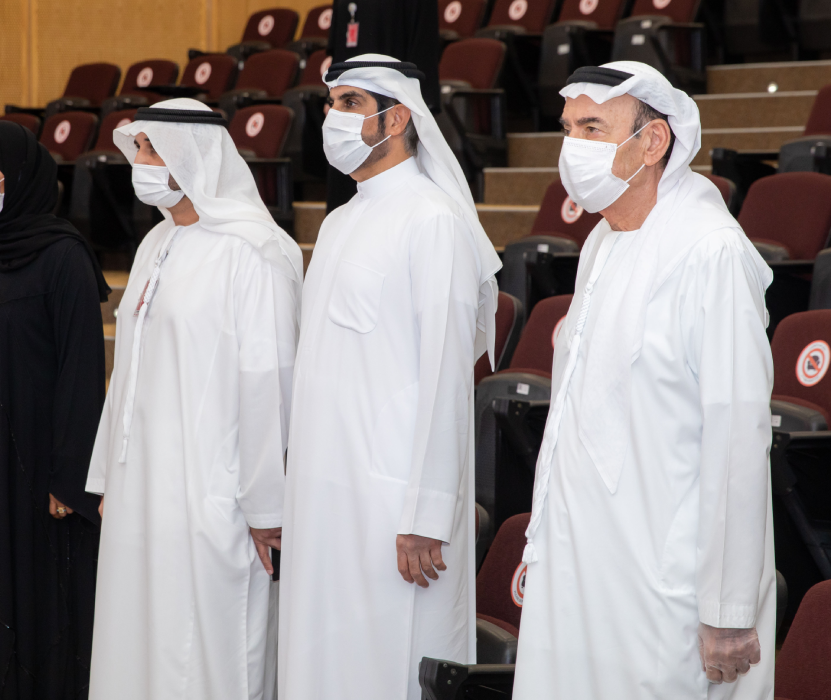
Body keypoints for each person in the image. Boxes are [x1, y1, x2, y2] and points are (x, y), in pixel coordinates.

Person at [512, 61, 776, 699]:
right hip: (577, 568)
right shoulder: (605, 243)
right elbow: (574, 408)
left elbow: (738, 440)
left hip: (664, 587)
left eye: (594, 127)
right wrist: (538, 537)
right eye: (569, 127)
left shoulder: (710, 252)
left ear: (653, 142)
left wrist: (729, 607)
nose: (574, 146)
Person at [278, 55, 502, 700]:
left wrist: (427, 512)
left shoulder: (433, 219)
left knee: (387, 666)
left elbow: (444, 376)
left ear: (397, 116)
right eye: (330, 105)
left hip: (393, 509)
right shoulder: (342, 219)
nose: (331, 118)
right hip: (325, 493)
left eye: (349, 104)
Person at [84, 99, 303, 700]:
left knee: (205, 655)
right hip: (141, 489)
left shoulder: (255, 253)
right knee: (139, 643)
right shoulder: (155, 244)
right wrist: (108, 477)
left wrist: (267, 508)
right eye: (139, 150)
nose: (141, 162)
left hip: (213, 497)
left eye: (154, 149)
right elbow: (125, 371)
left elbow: (270, 385)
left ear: (192, 155)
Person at [0, 121, 110, 699]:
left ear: (22, 175)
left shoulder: (64, 258)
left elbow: (82, 372)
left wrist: (70, 478)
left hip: (37, 469)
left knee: (35, 599)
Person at [323, 0, 440, 213]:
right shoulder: (335, 222)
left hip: (393, 108)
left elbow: (424, 47)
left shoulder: (433, 216)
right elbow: (338, 49)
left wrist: (413, 103)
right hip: (357, 105)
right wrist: (337, 101)